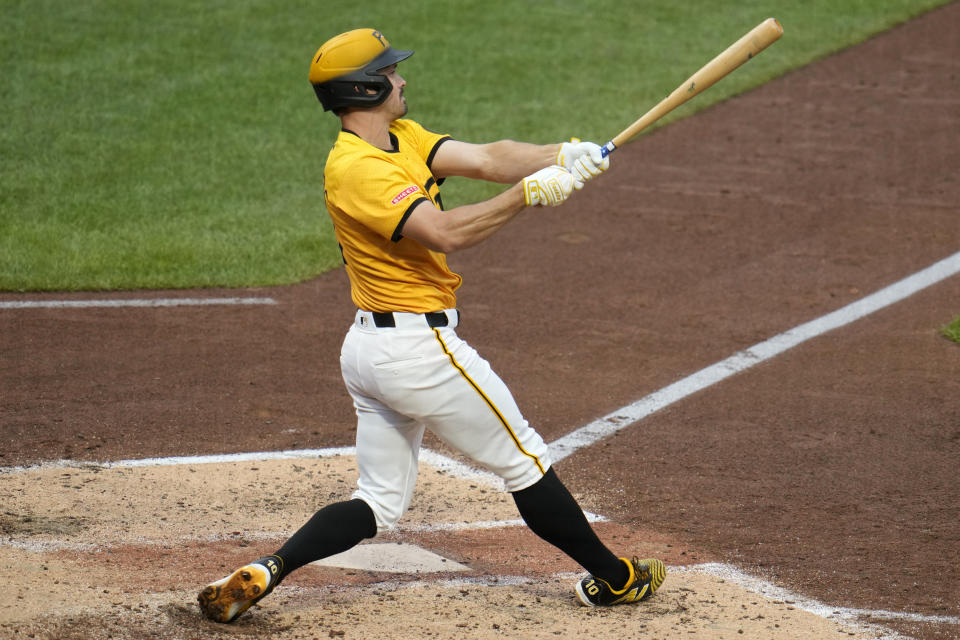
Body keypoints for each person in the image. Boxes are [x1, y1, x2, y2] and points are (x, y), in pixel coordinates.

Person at [197, 28, 665, 624]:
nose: (403, 79)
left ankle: (269, 568)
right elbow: (445, 233)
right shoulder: (356, 169)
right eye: (391, 72)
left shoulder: (400, 138)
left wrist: (563, 154)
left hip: (369, 352)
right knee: (523, 461)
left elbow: (489, 157)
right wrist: (529, 196)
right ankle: (617, 577)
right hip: (419, 353)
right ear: (365, 87)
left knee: (377, 503)